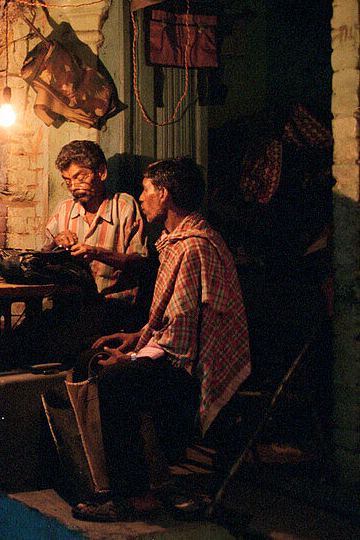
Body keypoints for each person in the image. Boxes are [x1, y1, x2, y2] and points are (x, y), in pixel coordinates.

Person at [72, 158, 251, 522]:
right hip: (180, 356)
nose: (141, 198)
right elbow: (172, 319)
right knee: (91, 356)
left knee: (114, 382)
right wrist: (137, 337)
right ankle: (138, 481)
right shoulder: (177, 242)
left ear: (164, 194)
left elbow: (181, 341)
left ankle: (134, 497)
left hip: (195, 372)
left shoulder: (192, 247)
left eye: (146, 189)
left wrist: (135, 359)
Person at [43, 140, 148, 332]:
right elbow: (42, 256)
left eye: (80, 177)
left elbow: (139, 263)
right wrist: (55, 244)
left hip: (114, 311)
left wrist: (96, 253)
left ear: (101, 173)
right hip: (70, 309)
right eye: (67, 180)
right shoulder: (64, 208)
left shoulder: (123, 206)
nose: (73, 186)